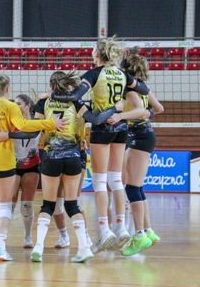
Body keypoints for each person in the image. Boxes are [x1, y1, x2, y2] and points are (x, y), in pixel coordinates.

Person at [53, 37, 150, 253]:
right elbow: (144, 89)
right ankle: (121, 227)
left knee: (99, 182)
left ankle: (105, 230)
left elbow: (75, 95)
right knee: (116, 180)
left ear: (97, 54)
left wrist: (57, 96)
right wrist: (130, 86)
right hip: (121, 127)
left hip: (102, 128)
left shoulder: (95, 73)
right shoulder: (122, 74)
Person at [0, 74, 64, 262]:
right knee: (5, 206)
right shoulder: (10, 106)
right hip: (3, 159)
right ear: (8, 88)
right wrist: (51, 123)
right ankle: (1, 249)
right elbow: (23, 125)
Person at [29, 72, 93, 263]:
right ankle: (84, 247)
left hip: (51, 156)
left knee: (48, 204)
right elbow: (93, 119)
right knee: (72, 204)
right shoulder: (76, 102)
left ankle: (38, 247)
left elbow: (34, 128)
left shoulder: (44, 103)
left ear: (51, 85)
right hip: (73, 156)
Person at [120, 49, 164, 256]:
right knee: (136, 185)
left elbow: (142, 110)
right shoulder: (143, 87)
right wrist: (148, 113)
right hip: (144, 135)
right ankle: (148, 231)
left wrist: (130, 115)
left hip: (138, 135)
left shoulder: (129, 88)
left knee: (132, 187)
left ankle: (139, 235)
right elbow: (159, 108)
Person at [0, 93, 41, 248]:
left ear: (28, 105)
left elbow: (30, 132)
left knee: (26, 204)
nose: (15, 106)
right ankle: (1, 236)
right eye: (14, 103)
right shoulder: (10, 121)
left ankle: (28, 237)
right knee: (9, 201)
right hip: (12, 165)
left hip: (32, 165)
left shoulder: (36, 121)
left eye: (19, 103)